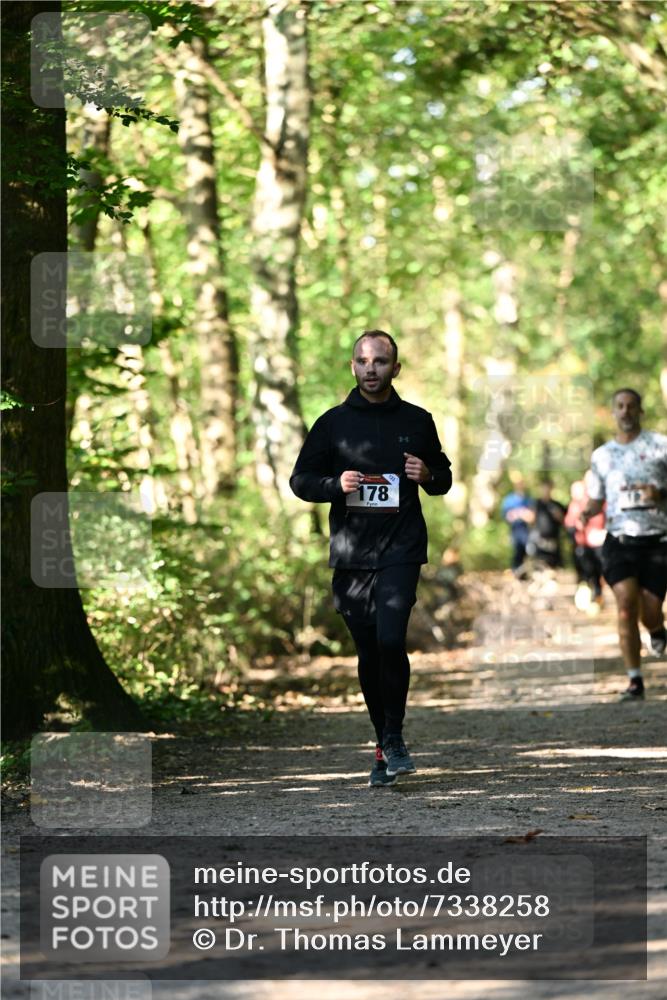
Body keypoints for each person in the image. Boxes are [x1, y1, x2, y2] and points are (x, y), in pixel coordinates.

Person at [289, 330, 452, 786]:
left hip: (401, 548)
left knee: (389, 640)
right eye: (363, 361)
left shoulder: (418, 420)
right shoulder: (332, 424)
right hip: (351, 554)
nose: (371, 368)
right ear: (353, 366)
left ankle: (395, 738)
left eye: (381, 361)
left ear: (395, 368)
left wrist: (429, 474)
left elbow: (443, 476)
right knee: (367, 651)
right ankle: (382, 741)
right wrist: (332, 486)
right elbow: (300, 480)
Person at [582, 388, 667, 700]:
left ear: (640, 411)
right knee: (626, 604)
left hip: (658, 542)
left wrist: (659, 495)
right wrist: (587, 512)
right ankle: (634, 680)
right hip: (619, 540)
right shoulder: (602, 455)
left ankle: (656, 630)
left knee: (651, 610)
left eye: (632, 406)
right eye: (620, 406)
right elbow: (596, 496)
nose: (626, 411)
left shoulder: (661, 446)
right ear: (614, 412)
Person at [565, 474, 606, 613]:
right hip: (582, 545)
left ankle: (598, 597)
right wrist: (576, 525)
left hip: (599, 544)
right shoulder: (576, 504)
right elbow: (569, 523)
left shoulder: (600, 500)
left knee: (599, 572)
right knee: (585, 573)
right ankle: (588, 598)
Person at [528, 479, 567, 569]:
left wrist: (559, 516)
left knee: (554, 563)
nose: (546, 490)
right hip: (539, 539)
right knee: (539, 562)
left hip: (554, 539)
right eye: (544, 488)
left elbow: (565, 521)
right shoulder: (535, 504)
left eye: (548, 488)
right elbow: (530, 520)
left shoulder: (557, 505)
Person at [500, 476, 535, 576]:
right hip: (515, 531)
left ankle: (527, 573)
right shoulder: (509, 500)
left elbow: (532, 517)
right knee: (517, 553)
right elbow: (507, 516)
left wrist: (523, 515)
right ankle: (516, 573)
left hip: (527, 531)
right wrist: (520, 514)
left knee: (528, 551)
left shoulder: (529, 500)